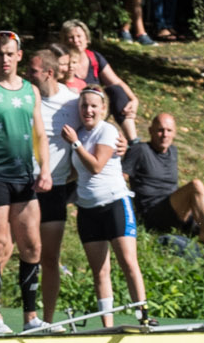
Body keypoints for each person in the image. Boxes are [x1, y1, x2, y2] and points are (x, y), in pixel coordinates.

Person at [54, 84, 147, 328]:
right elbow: (78, 171)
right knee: (99, 271)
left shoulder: (107, 131)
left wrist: (75, 144)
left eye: (94, 106)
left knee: (128, 262)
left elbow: (96, 165)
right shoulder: (78, 134)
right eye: (84, 106)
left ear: (103, 109)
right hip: (87, 208)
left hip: (115, 201)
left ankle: (143, 315)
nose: (88, 110)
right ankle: (107, 324)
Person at [0, 32, 46, 334]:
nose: (4, 59)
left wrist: (47, 170)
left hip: (26, 177)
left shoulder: (31, 91)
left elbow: (40, 134)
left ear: (19, 56)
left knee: (31, 246)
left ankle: (31, 317)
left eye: (10, 54)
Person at [122, 113, 204, 258]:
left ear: (175, 133)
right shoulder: (140, 150)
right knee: (196, 186)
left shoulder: (172, 151)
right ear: (150, 131)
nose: (164, 135)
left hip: (177, 213)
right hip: (153, 214)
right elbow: (120, 179)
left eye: (169, 131)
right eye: (160, 130)